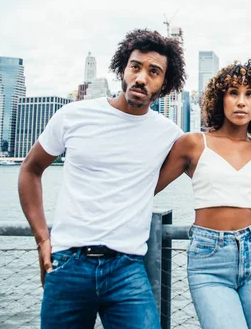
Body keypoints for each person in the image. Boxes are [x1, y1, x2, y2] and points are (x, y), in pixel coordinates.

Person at [18, 29, 186, 329]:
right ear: (123, 69)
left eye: (154, 72)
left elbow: (209, 167)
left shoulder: (170, 135)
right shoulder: (73, 116)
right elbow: (31, 170)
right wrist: (43, 239)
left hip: (127, 269)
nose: (141, 78)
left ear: (165, 84)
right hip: (68, 264)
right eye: (135, 66)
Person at [155, 60, 251, 329]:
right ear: (219, 99)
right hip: (208, 258)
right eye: (233, 93)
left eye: (250, 94)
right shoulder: (193, 143)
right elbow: (148, 188)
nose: (241, 102)